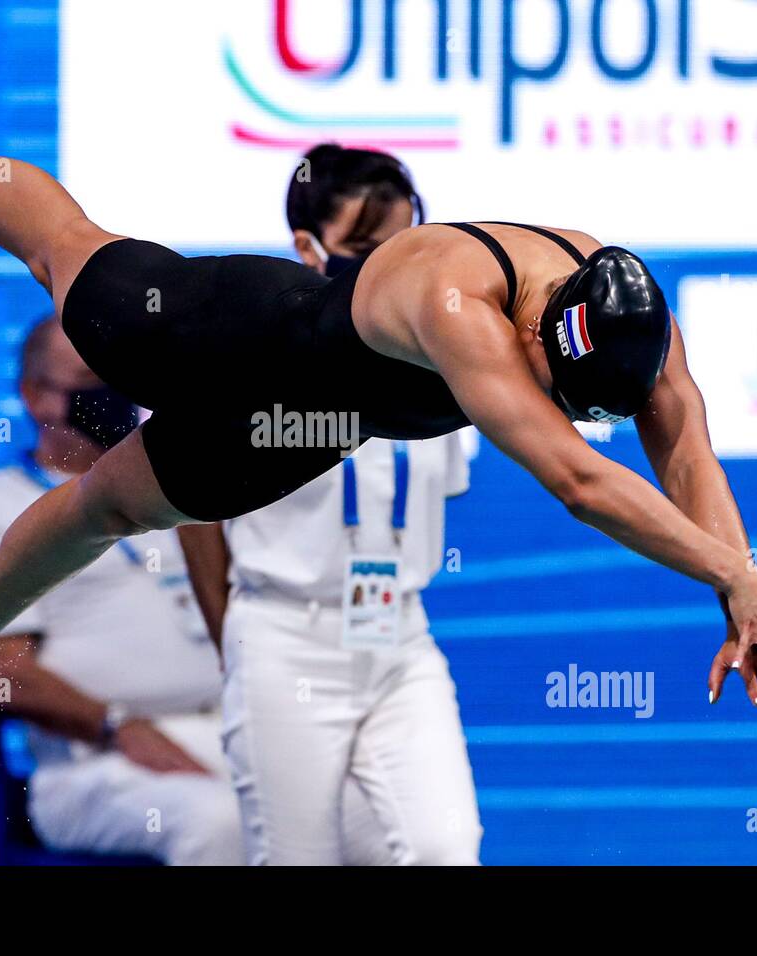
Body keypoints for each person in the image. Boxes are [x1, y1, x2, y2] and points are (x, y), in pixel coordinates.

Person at [0, 114, 757, 748]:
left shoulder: (630, 321)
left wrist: (736, 577)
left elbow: (684, 448)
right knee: (65, 253)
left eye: (584, 401)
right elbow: (577, 482)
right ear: (532, 328)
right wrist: (732, 572)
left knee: (107, 504)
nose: (564, 407)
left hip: (304, 427)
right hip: (229, 333)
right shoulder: (459, 302)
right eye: (556, 387)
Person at [179, 144, 482, 864]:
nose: (389, 267)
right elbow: (193, 509)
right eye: (363, 248)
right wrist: (240, 646)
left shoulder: (448, 346)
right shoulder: (246, 346)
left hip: (400, 636)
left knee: (445, 848)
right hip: (285, 637)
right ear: (306, 248)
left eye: (405, 244)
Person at [0, 317, 242, 865]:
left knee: (358, 810)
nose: (112, 391)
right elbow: (7, 676)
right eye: (90, 376)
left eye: (120, 373)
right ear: (37, 397)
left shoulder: (175, 495)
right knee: (218, 822)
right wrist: (119, 726)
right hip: (95, 761)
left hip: (229, 731)